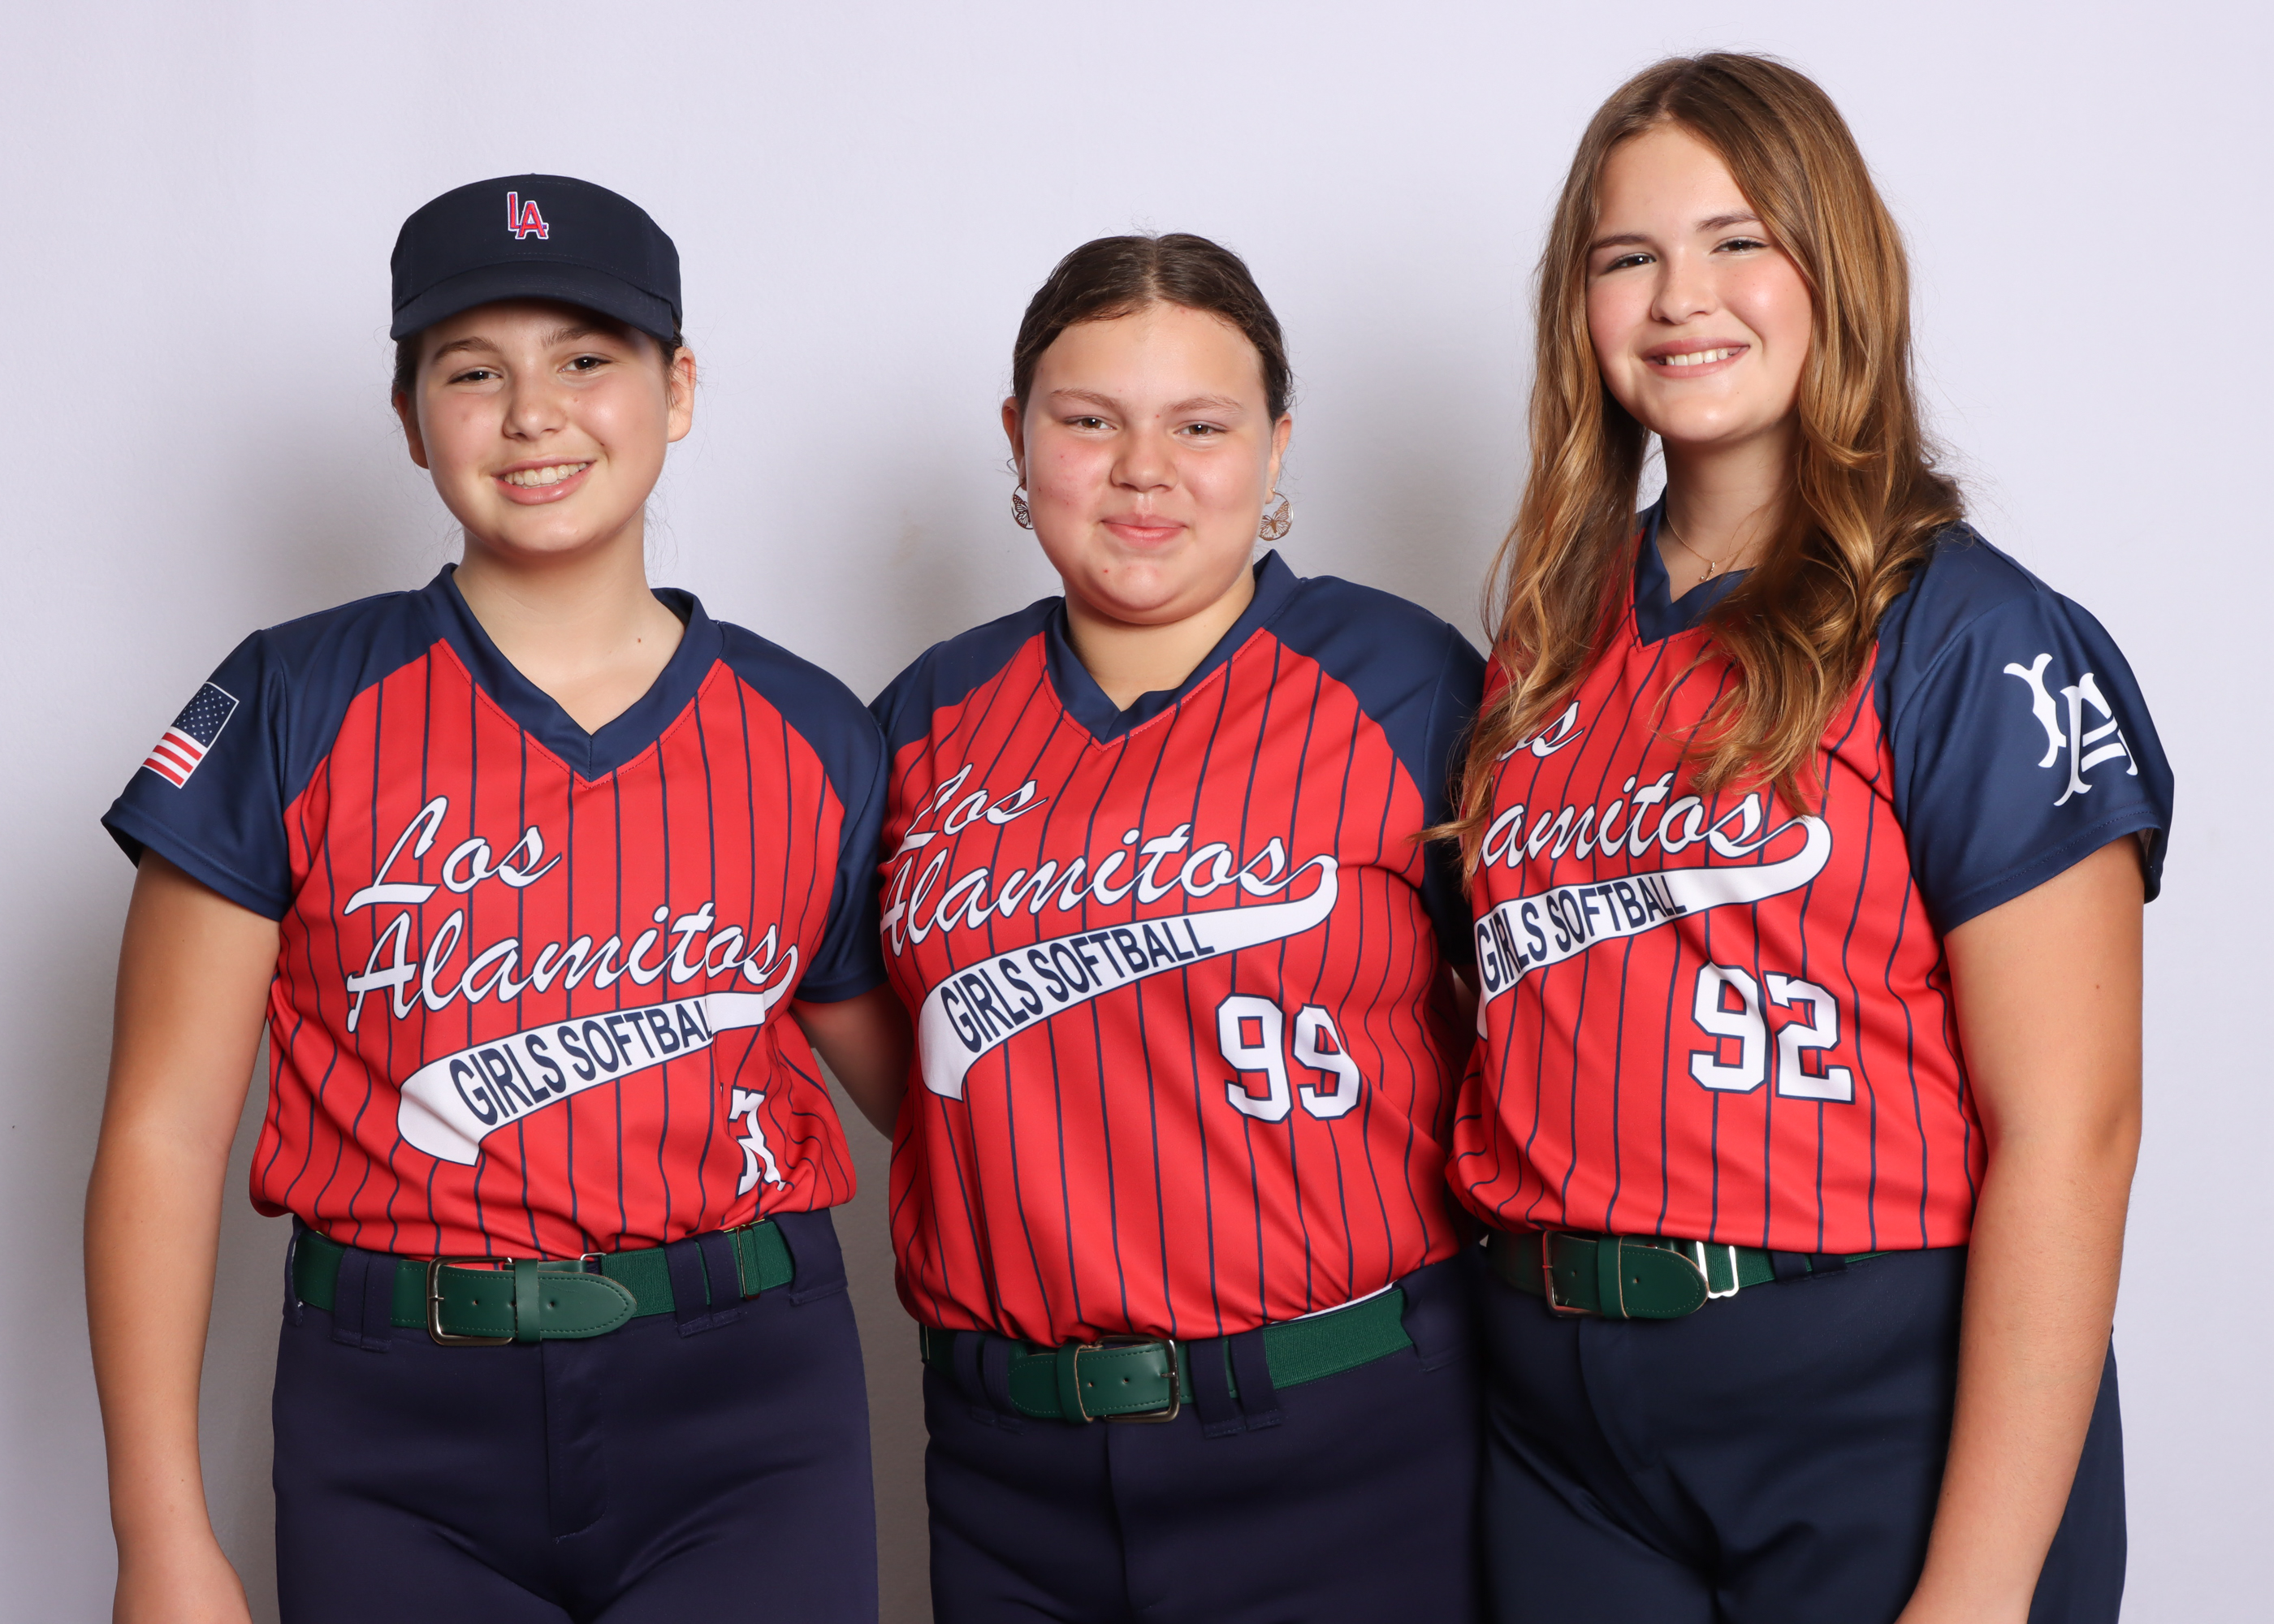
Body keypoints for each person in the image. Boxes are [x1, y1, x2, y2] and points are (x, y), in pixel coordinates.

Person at [86, 174, 906, 1624]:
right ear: (411, 418)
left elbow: (944, 1092)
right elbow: (162, 1132)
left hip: (746, 1407)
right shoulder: (291, 699)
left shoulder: (814, 728)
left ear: (678, 388)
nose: (534, 414)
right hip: (395, 1414)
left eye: (586, 358)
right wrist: (159, 1539)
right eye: (473, 371)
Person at [1444, 54, 2172, 1624]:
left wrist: (1974, 1598)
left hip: (1869, 1400)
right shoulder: (1547, 643)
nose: (1679, 298)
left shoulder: (1969, 635)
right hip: (1564, 1428)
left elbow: (2075, 1131)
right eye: (1628, 257)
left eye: (1737, 241)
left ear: (1833, 269)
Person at [870, 233, 1486, 1622]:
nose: (1143, 470)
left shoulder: (1405, 683)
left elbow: (1542, 1016)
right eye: (1090, 421)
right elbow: (891, 1038)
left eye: (1200, 426)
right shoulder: (922, 718)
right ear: (1018, 438)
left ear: (1275, 448)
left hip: (1349, 1432)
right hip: (1009, 1460)